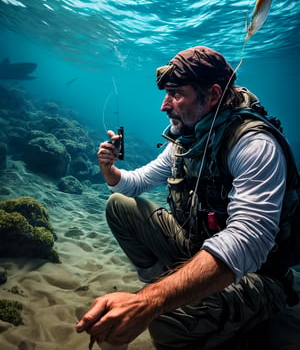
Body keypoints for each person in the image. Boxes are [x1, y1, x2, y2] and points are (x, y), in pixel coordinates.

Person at [76, 46, 300, 350]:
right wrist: (109, 169)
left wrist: (150, 302)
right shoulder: (190, 138)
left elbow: (248, 240)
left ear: (211, 95)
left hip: (259, 274)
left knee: (166, 320)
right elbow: (137, 183)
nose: (164, 106)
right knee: (119, 206)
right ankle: (179, 291)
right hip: (200, 246)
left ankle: (190, 309)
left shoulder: (253, 145)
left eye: (176, 94)